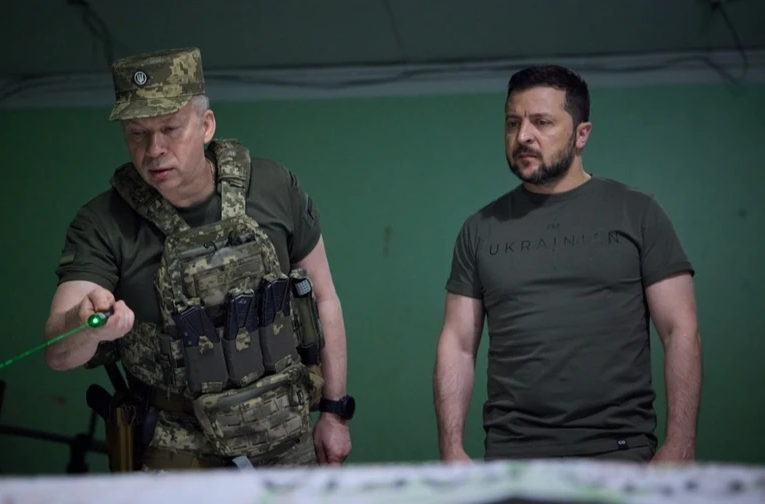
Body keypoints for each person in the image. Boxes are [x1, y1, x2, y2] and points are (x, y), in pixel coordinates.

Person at [42, 47, 355, 470]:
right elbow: (58, 352)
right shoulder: (102, 222)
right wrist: (87, 325)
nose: (154, 149)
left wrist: (334, 412)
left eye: (170, 128)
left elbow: (323, 297)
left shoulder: (274, 187)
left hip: (284, 435)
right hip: (174, 453)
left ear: (206, 125)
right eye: (137, 133)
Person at [433, 65, 702, 463]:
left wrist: (680, 442)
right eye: (513, 123)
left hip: (618, 451)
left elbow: (681, 329)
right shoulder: (480, 228)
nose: (523, 136)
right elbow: (457, 345)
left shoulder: (638, 213)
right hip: (512, 456)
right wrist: (451, 449)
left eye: (541, 122)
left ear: (581, 134)